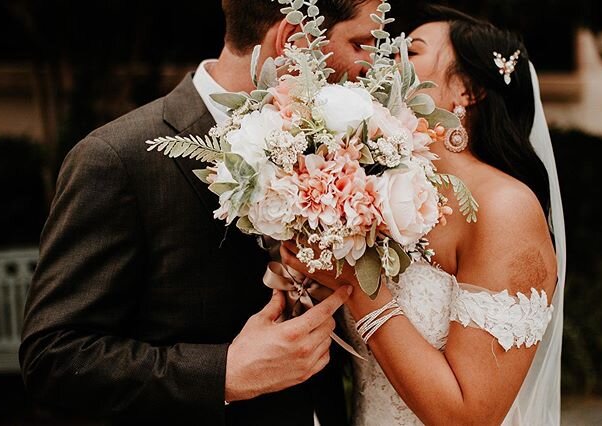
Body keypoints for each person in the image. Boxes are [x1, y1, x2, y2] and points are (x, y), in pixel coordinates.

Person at [19, 1, 380, 424]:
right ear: (292, 39)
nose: (369, 65)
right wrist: (223, 374)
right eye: (359, 43)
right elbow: (52, 358)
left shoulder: (335, 146)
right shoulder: (118, 158)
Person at [280, 5, 566, 425]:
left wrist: (358, 289)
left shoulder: (506, 209)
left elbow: (470, 417)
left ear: (467, 90)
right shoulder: (376, 190)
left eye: (409, 52)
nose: (384, 63)